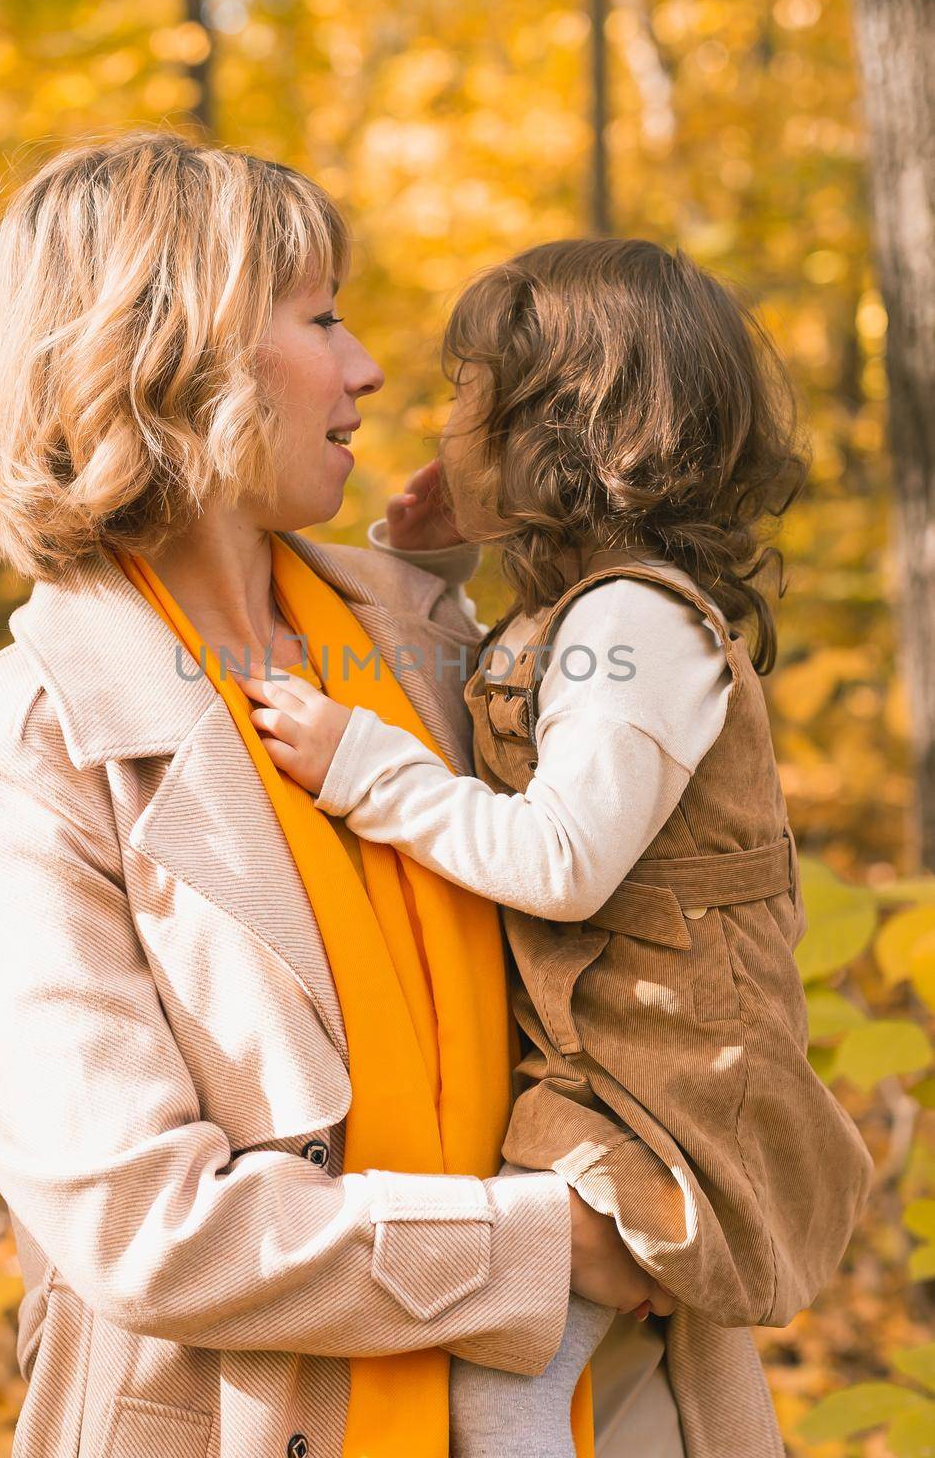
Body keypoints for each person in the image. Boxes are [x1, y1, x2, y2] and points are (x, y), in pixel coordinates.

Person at [0, 134, 671, 1458]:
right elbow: (154, 1235)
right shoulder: (16, 763)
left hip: (611, 1412)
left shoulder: (441, 648)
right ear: (170, 356)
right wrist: (544, 1251)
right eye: (318, 316)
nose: (367, 366)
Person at [239, 237, 875, 1458]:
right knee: (525, 1365)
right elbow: (493, 716)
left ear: (558, 431)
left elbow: (559, 857)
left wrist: (365, 767)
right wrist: (427, 563)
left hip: (666, 1070)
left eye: (463, 394)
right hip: (610, 1055)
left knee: (505, 1372)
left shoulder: (636, 621)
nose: (435, 421)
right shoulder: (584, 616)